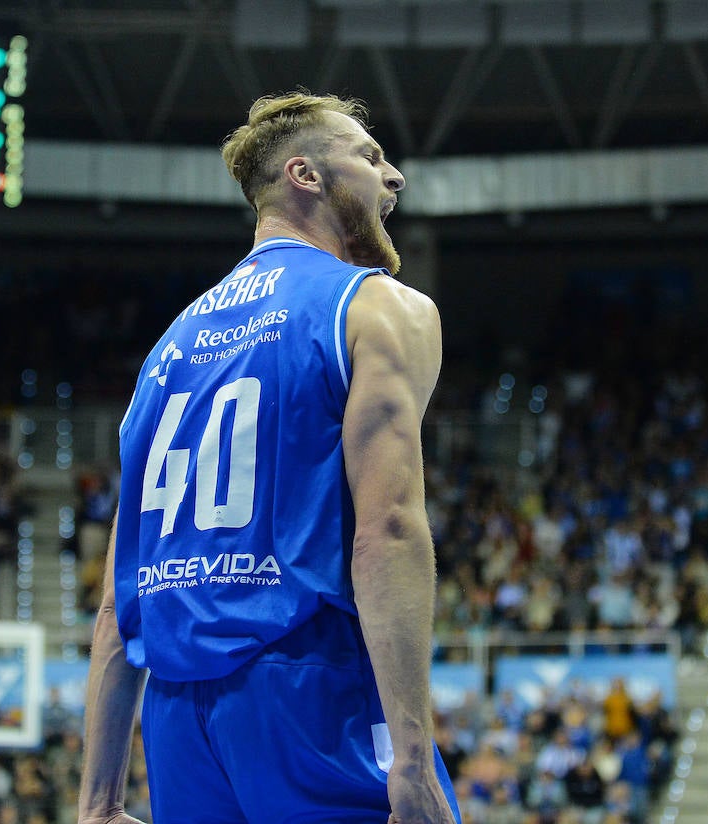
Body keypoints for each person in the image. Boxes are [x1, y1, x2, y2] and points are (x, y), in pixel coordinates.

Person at [78, 91, 461, 824]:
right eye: (370, 157)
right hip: (311, 688)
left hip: (177, 718)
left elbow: (117, 596)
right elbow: (388, 531)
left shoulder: (170, 347)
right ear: (305, 176)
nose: (395, 178)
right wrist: (411, 758)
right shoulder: (379, 306)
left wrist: (98, 798)